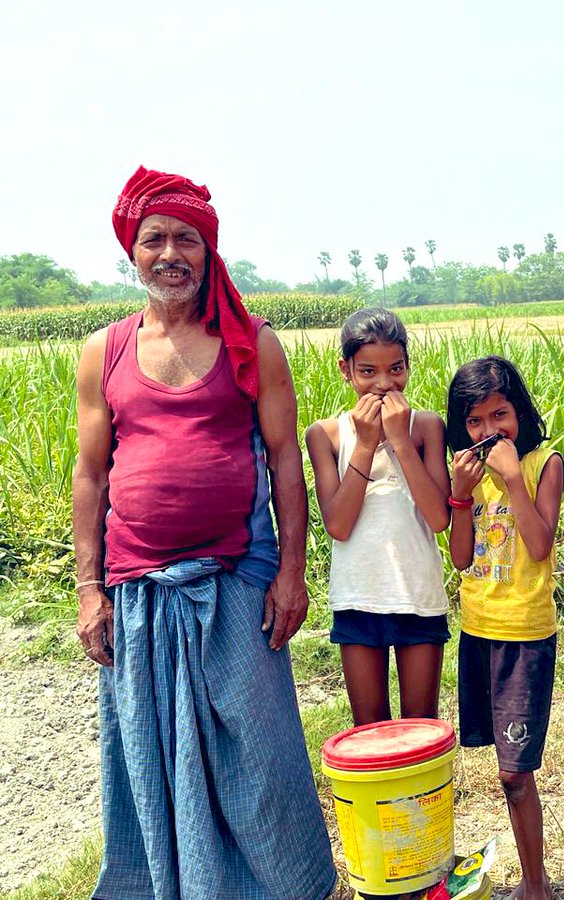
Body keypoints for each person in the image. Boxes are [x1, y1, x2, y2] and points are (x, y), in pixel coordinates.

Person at [72, 167, 335, 899]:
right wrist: (89, 589)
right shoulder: (105, 351)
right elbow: (91, 475)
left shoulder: (252, 342)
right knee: (152, 759)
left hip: (237, 579)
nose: (170, 253)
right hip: (137, 590)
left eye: (187, 238)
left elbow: (285, 457)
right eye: (153, 238)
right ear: (133, 251)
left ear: (209, 251)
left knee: (261, 755)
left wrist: (290, 572)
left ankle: (285, 887)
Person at [446, 356, 564, 900]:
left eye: (500, 414)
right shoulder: (465, 472)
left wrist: (513, 479)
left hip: (524, 634)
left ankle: (535, 884)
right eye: (474, 422)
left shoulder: (544, 463)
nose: (489, 431)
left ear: (520, 412)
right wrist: (460, 496)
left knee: (516, 773)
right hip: (478, 630)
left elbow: (540, 547)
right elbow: (462, 557)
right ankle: (529, 879)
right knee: (500, 770)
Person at [306, 308, 452, 725]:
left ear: (408, 367)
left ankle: (425, 794)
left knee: (420, 727)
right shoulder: (326, 435)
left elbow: (438, 517)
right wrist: (367, 444)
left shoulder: (425, 427)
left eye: (396, 369)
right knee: (368, 729)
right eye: (368, 371)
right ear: (345, 370)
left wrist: (401, 442)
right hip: (358, 597)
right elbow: (338, 524)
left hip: (417, 596)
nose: (384, 384)